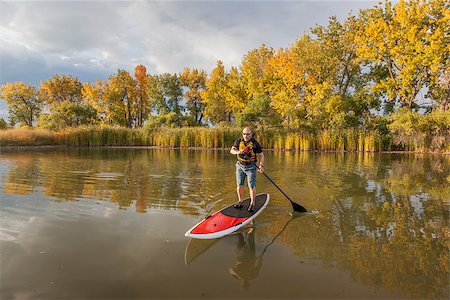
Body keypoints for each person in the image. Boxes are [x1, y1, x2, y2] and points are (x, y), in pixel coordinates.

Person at [230, 127, 264, 212]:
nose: (246, 136)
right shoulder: (239, 141)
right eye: (244, 134)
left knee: (251, 186)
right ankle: (240, 201)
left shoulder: (255, 143)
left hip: (251, 167)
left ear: (251, 134)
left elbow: (261, 155)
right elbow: (232, 150)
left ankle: (252, 203)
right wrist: (238, 152)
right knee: (239, 185)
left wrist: (261, 165)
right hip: (240, 166)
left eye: (248, 134)